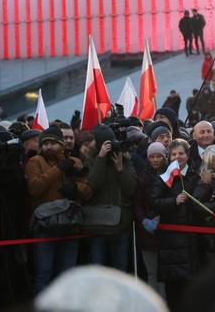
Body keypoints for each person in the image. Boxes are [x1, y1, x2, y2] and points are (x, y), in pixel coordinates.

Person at [25, 127, 93, 293]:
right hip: (45, 226)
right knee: (44, 273)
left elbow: (89, 191)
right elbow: (35, 188)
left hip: (70, 225)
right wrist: (59, 169)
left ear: (61, 145)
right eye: (45, 143)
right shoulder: (35, 162)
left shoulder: (75, 162)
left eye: (53, 143)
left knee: (68, 274)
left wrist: (75, 186)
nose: (48, 146)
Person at [150, 139, 210, 310]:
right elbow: (153, 202)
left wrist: (205, 185)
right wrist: (173, 201)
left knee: (194, 289)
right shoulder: (163, 178)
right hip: (172, 242)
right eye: (174, 154)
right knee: (174, 289)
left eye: (181, 153)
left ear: (187, 155)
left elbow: (199, 203)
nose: (178, 157)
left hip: (194, 240)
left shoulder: (196, 175)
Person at [85, 125, 138, 272]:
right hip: (97, 224)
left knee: (120, 268)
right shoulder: (90, 160)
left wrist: (120, 168)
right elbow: (93, 185)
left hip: (120, 224)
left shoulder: (125, 159)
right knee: (98, 269)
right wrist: (101, 158)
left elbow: (131, 189)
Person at [134, 141, 167, 298]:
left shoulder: (170, 176)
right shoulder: (143, 177)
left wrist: (162, 217)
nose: (155, 160)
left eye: (158, 156)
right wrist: (144, 221)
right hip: (147, 233)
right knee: (152, 273)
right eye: (152, 157)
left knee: (164, 274)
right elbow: (137, 204)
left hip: (167, 230)